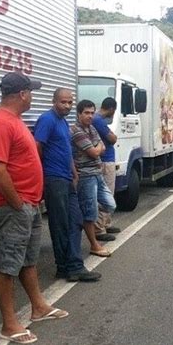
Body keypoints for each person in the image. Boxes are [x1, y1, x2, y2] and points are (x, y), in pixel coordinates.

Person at [0, 72, 68, 344]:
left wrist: (31, 200)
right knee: (8, 265)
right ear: (21, 94)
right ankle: (9, 324)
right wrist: (18, 204)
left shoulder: (14, 121)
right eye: (30, 91)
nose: (32, 95)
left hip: (28, 205)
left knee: (27, 260)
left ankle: (39, 306)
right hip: (14, 208)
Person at [34, 88, 100, 282]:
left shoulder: (63, 123)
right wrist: (41, 174)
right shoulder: (47, 119)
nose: (68, 106)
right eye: (64, 102)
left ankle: (72, 265)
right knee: (60, 224)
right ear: (54, 101)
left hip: (67, 178)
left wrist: (73, 172)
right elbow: (37, 146)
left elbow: (66, 151)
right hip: (54, 178)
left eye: (70, 102)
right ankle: (66, 267)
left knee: (75, 220)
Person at [71, 99, 116, 255]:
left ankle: (89, 216)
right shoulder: (76, 130)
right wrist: (96, 148)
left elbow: (101, 147)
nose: (90, 116)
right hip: (86, 176)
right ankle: (94, 244)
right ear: (79, 114)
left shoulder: (91, 128)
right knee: (90, 213)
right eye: (86, 113)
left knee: (110, 204)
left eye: (91, 113)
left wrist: (96, 148)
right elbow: (96, 151)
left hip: (97, 173)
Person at [92, 97, 121, 241]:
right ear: (111, 109)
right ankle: (99, 229)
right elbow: (112, 138)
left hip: (105, 160)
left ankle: (106, 223)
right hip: (104, 161)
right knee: (106, 194)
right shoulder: (98, 120)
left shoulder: (97, 119)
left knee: (109, 192)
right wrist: (114, 136)